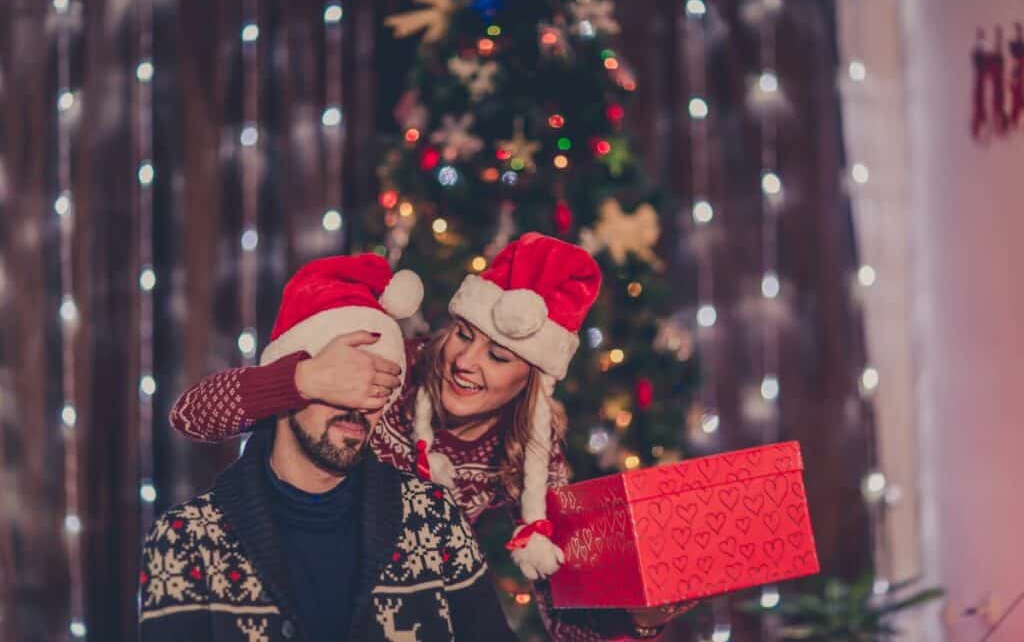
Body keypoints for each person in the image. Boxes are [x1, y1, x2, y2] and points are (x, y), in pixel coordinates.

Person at [169, 233, 693, 639]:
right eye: (464, 335)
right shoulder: (387, 367)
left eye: (498, 356)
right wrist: (302, 378)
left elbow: (563, 611)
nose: (465, 362)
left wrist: (638, 621)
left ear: (531, 377)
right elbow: (194, 416)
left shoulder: (529, 454)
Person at [139, 255, 517, 642]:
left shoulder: (434, 520)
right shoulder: (187, 540)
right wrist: (302, 378)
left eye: (373, 385)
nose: (355, 403)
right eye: (339, 382)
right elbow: (189, 414)